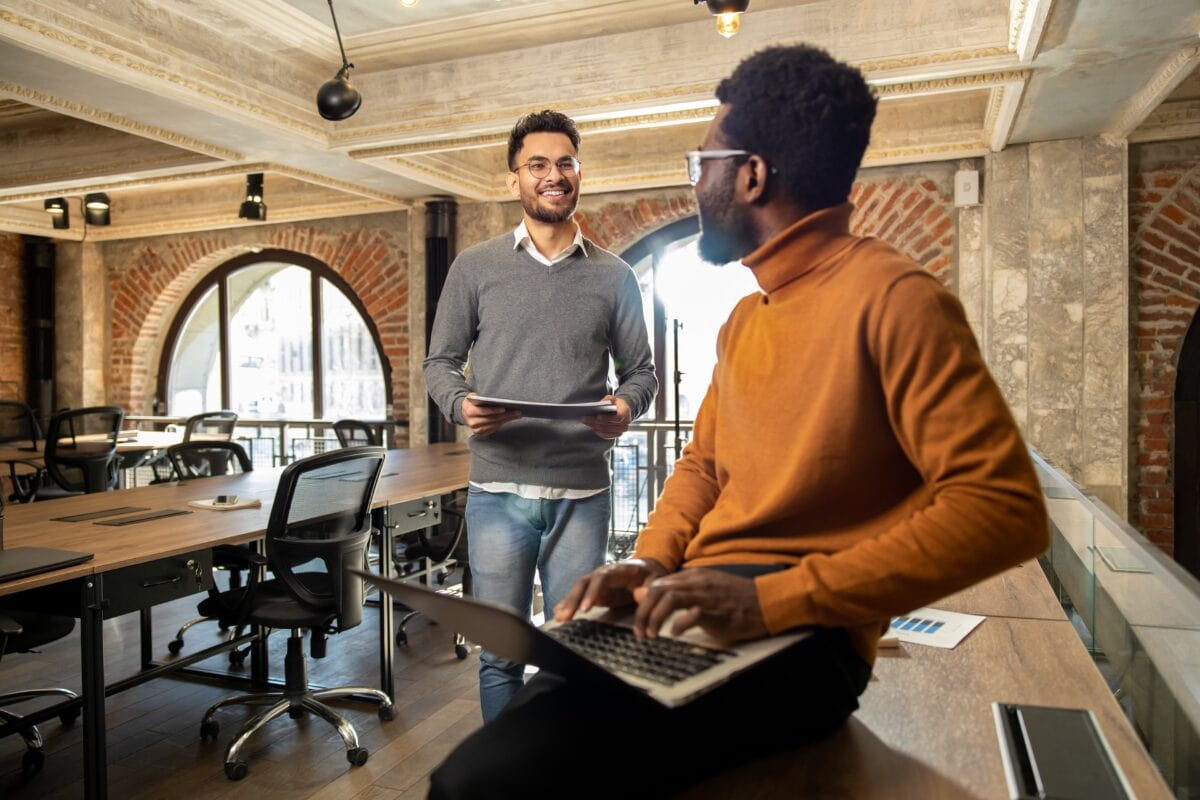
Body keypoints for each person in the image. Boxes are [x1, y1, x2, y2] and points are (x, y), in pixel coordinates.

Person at [427, 45, 1049, 799]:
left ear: (750, 175)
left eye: (705, 160)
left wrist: (769, 602)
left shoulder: (897, 299)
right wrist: (648, 564)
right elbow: (703, 468)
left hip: (804, 638)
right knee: (504, 747)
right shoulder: (747, 320)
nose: (696, 180)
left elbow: (1004, 509)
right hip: (701, 604)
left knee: (478, 784)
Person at [423, 109, 657, 722]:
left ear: (580, 174)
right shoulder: (475, 267)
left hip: (582, 493)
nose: (553, 175)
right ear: (514, 180)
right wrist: (461, 403)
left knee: (573, 655)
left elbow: (642, 373)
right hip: (497, 490)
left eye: (565, 163)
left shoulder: (616, 276)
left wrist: (625, 407)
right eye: (538, 165)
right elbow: (440, 363)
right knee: (500, 658)